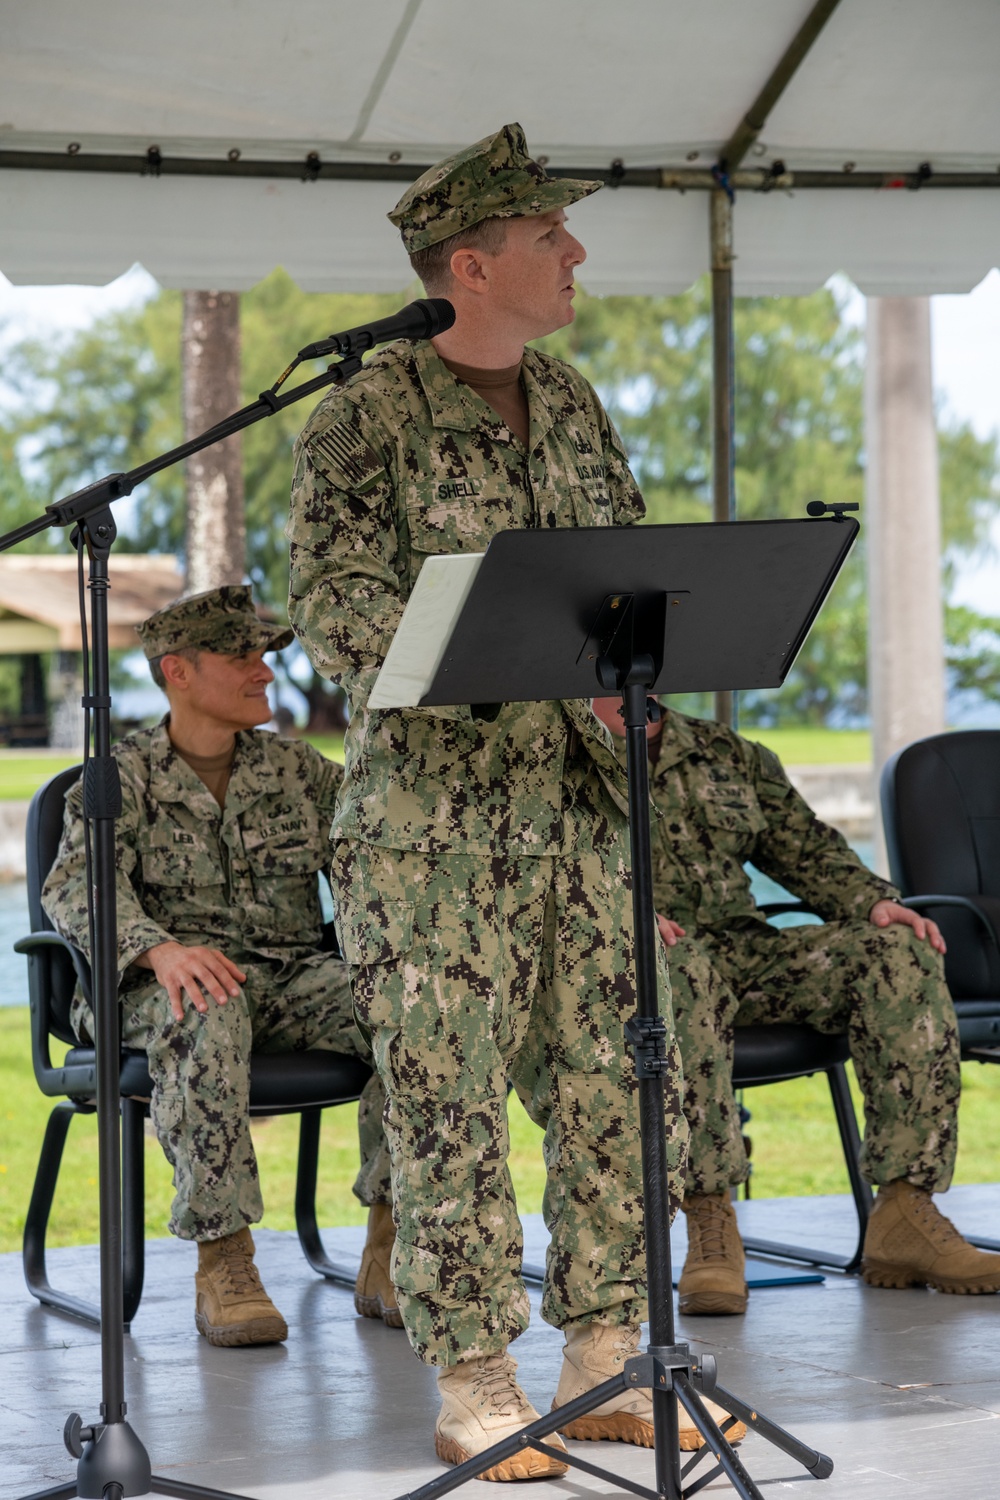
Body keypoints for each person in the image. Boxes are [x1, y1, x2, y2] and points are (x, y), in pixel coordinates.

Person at [286, 123, 736, 1480]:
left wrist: (627, 672)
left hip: (588, 816)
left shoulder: (579, 400)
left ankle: (602, 1363)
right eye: (551, 238)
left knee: (613, 1085)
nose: (577, 253)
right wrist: (512, 668)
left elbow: (630, 572)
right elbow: (336, 605)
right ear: (470, 266)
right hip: (434, 828)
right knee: (448, 1105)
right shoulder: (361, 414)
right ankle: (476, 1379)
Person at [43, 586, 393, 1347]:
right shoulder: (119, 777)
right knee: (206, 1001)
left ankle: (393, 1240)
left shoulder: (300, 771)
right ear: (178, 671)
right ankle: (224, 1262)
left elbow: (374, 865)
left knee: (403, 1001)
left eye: (265, 659)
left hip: (290, 978)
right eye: (242, 658)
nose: (264, 674)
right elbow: (75, 885)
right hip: (155, 990)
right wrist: (158, 948)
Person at [592, 695, 1000, 1313]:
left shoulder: (727, 754)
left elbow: (807, 851)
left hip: (743, 952)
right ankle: (710, 1221)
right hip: (625, 969)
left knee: (897, 952)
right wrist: (615, 914)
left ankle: (904, 1210)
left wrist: (871, 901)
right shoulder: (553, 749)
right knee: (678, 971)